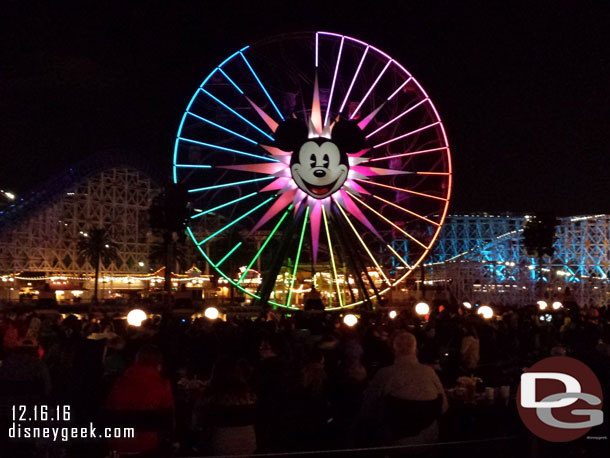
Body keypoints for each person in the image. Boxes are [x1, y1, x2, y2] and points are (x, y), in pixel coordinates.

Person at [358, 331, 448, 445]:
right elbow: (444, 407)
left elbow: (368, 409)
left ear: (393, 351)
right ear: (416, 350)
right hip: (428, 439)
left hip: (393, 441)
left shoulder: (384, 374)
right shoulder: (429, 372)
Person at [106, 344, 174, 456]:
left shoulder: (119, 382)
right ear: (158, 363)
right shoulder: (162, 385)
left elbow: (109, 409)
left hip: (118, 441)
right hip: (147, 444)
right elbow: (168, 421)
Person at [192, 356, 257, 456]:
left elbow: (198, 424)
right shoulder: (249, 396)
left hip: (222, 445)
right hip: (249, 443)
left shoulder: (213, 398)